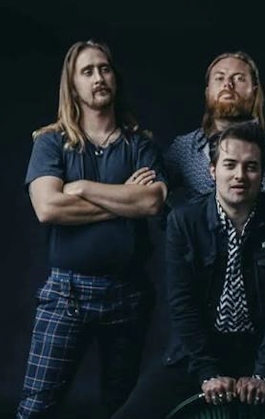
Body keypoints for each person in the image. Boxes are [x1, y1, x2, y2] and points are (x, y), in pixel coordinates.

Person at [112, 121, 265, 419]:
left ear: (262, 173)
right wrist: (207, 371)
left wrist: (263, 371)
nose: (240, 175)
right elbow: (182, 303)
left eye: (251, 167)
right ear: (213, 170)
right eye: (230, 165)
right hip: (200, 350)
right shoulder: (184, 221)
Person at [16, 40, 167, 419]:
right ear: (73, 85)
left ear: (115, 77)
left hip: (128, 293)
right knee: (37, 408)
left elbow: (151, 202)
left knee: (121, 408)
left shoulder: (140, 144)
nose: (98, 77)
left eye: (104, 68)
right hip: (67, 293)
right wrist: (123, 200)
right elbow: (48, 207)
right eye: (87, 71)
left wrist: (82, 188)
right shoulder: (50, 142)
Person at [165, 51, 265, 205]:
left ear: (254, 91)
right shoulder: (185, 147)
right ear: (207, 92)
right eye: (219, 78)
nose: (228, 84)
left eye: (239, 78)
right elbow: (155, 194)